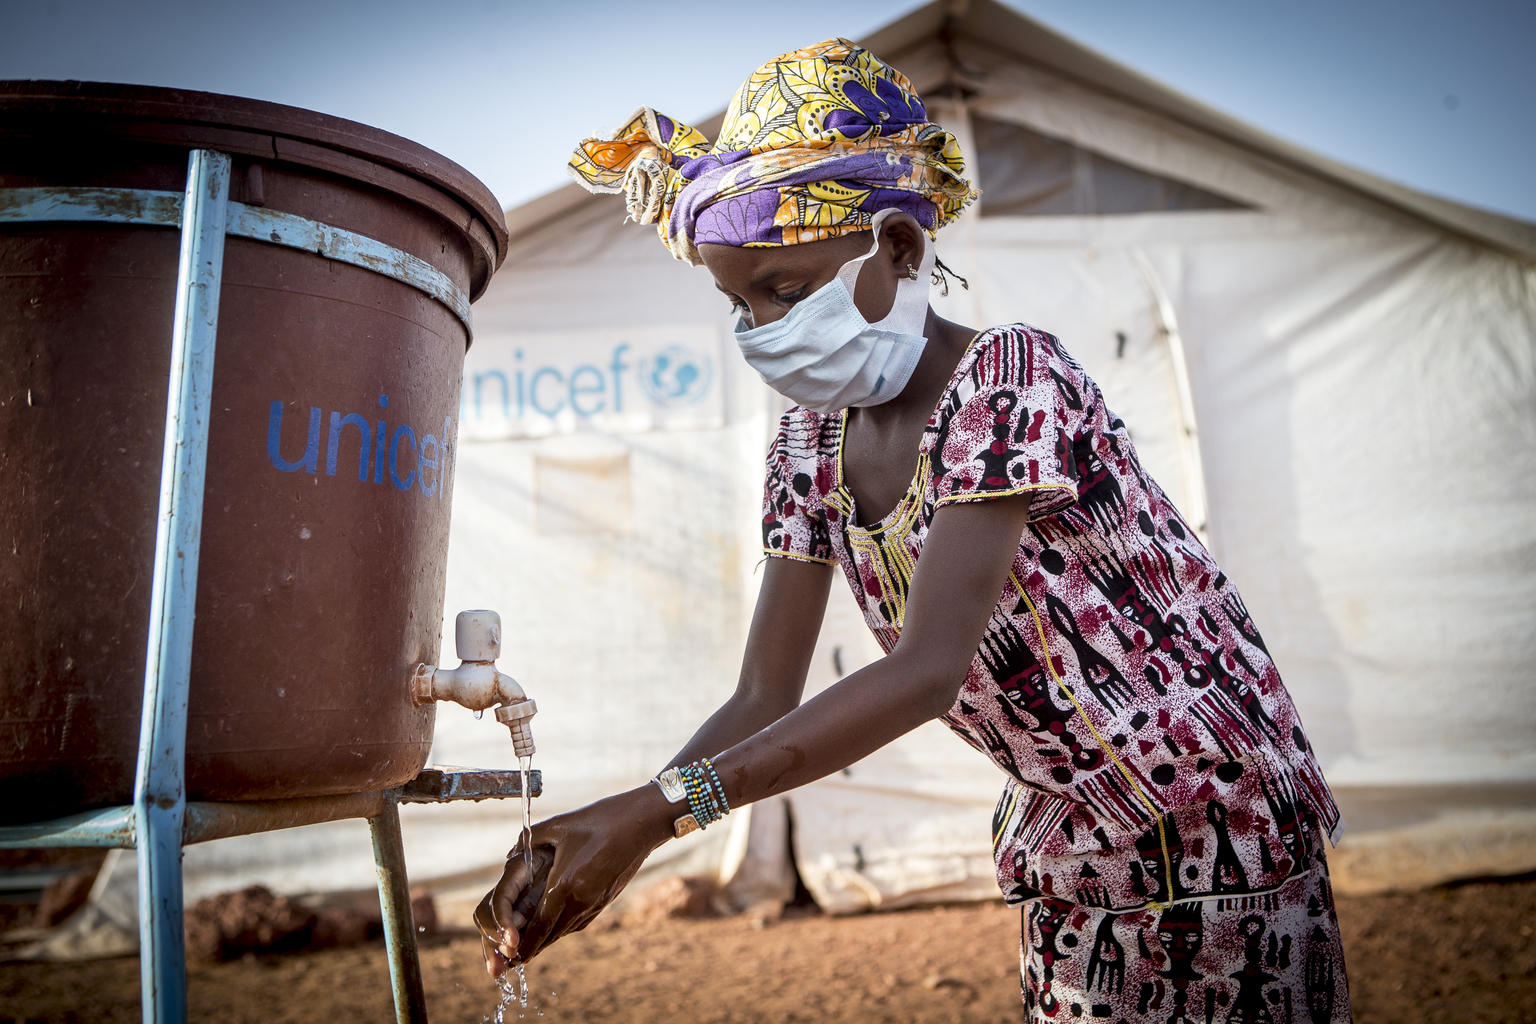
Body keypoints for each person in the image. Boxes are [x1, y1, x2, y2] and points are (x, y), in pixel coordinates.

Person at [476, 38, 1352, 1021]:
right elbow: (765, 690)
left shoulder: (1010, 378)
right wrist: (628, 831)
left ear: (897, 247)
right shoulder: (808, 444)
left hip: (1214, 810)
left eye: (785, 290)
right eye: (739, 303)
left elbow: (929, 668)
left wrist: (653, 814)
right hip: (1071, 832)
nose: (761, 330)